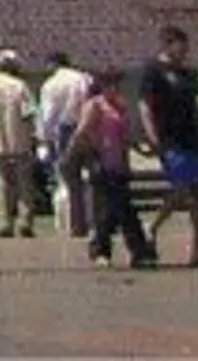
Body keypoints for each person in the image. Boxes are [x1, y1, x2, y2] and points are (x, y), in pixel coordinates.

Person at [136, 27, 198, 267]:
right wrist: (152, 137)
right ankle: (154, 225)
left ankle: (197, 247)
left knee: (197, 194)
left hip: (192, 138)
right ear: (168, 45)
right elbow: (145, 106)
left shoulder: (187, 73)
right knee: (181, 187)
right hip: (170, 138)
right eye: (181, 46)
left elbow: (197, 102)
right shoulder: (153, 72)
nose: (185, 52)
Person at [61, 78, 154, 269]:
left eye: (117, 85)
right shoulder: (95, 106)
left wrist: (142, 151)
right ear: (102, 87)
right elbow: (82, 133)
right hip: (101, 164)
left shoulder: (120, 107)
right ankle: (124, 250)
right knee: (114, 210)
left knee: (117, 210)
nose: (114, 89)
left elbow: (126, 136)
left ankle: (127, 250)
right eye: (110, 85)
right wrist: (76, 156)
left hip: (118, 164)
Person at [0, 53, 39, 238]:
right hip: (20, 140)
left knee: (1, 184)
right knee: (24, 184)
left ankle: (4, 222)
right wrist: (33, 136)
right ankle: (24, 220)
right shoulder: (20, 86)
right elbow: (28, 113)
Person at [35, 49, 95, 243]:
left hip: (65, 130)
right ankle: (94, 219)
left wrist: (44, 138)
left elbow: (48, 114)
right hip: (88, 127)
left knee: (68, 178)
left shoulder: (51, 84)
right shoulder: (84, 78)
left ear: (52, 64)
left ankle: (75, 224)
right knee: (91, 176)